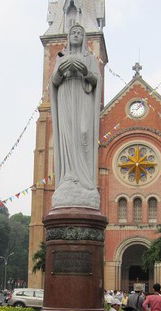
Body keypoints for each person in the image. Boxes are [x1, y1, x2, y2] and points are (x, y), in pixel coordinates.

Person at [50, 24, 102, 210]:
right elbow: (54, 83)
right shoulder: (61, 57)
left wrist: (85, 72)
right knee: (67, 137)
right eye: (73, 33)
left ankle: (84, 179)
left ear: (84, 38)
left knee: (83, 133)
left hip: (83, 97)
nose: (76, 35)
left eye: (80, 33)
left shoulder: (89, 58)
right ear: (69, 37)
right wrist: (60, 71)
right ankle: (68, 176)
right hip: (65, 98)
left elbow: (96, 81)